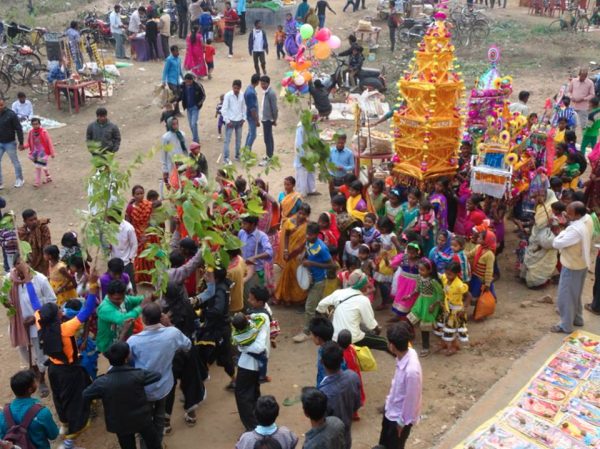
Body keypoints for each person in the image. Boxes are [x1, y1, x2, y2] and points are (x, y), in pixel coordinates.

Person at [128, 303, 191, 441]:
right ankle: (157, 441)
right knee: (160, 414)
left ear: (143, 319)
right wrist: (169, 325)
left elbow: (126, 359)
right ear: (161, 317)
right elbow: (187, 345)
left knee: (145, 418)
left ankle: (147, 441)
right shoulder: (172, 333)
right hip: (164, 385)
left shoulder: (134, 341)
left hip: (143, 388)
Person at [83, 342, 162, 449]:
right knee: (153, 443)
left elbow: (86, 394)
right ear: (126, 358)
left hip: (120, 423)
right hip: (142, 419)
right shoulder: (137, 374)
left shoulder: (102, 382)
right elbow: (157, 376)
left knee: (127, 446)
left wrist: (104, 393)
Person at [8, 256, 55, 399]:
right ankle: (33, 372)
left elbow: (52, 301)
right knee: (24, 353)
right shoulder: (10, 280)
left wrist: (35, 318)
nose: (19, 267)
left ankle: (41, 379)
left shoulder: (39, 279)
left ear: (28, 263)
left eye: (22, 263)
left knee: (41, 354)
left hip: (37, 325)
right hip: (19, 326)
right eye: (16, 264)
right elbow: (7, 298)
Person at [316, 270, 386, 351]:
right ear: (362, 285)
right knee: (383, 342)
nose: (368, 284)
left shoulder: (339, 293)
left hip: (335, 338)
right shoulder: (363, 300)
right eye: (366, 283)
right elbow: (371, 325)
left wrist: (326, 319)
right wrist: (378, 330)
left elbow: (320, 306)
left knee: (359, 325)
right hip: (353, 339)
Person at [378, 321, 422, 449]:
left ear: (392, 346)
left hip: (398, 419)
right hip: (391, 410)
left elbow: (411, 400)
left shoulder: (411, 371)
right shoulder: (406, 355)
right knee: (383, 444)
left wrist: (401, 423)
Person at [551, 201, 593, 333]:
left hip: (572, 265)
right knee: (576, 293)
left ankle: (566, 325)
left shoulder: (575, 230)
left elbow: (556, 243)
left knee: (566, 296)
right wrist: (568, 223)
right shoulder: (588, 219)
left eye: (569, 213)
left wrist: (562, 231)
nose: (566, 215)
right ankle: (578, 318)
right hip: (582, 263)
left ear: (578, 214)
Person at [293, 222, 334, 343]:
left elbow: (331, 265)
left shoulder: (322, 248)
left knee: (309, 307)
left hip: (319, 281)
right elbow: (307, 251)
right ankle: (324, 325)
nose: (307, 236)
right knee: (317, 305)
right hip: (311, 279)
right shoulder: (308, 242)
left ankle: (306, 332)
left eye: (310, 235)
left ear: (316, 234)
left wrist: (312, 264)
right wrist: (302, 255)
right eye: (307, 234)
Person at [318, 341, 361, 449]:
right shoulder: (353, 377)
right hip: (346, 430)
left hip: (331, 437)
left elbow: (321, 421)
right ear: (342, 359)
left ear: (322, 362)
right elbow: (357, 404)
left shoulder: (323, 391)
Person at [0, 370, 58, 449]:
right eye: (34, 382)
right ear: (30, 390)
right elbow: (53, 435)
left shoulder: (3, 414)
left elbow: (3, 438)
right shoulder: (42, 413)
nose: (36, 383)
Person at [234, 301, 269, 431]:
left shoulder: (252, 331)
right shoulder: (262, 319)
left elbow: (259, 348)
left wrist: (243, 348)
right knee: (253, 393)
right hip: (255, 366)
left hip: (248, 366)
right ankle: (258, 419)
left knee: (243, 396)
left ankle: (252, 427)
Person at [519, 188, 558, 288]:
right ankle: (528, 278)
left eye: (543, 195)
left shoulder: (553, 208)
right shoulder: (541, 206)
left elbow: (553, 225)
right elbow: (537, 221)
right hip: (536, 236)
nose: (541, 197)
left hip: (546, 239)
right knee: (531, 257)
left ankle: (537, 282)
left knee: (541, 261)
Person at [274, 203, 311, 305]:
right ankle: (286, 297)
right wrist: (286, 250)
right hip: (289, 251)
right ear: (297, 212)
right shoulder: (290, 222)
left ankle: (298, 298)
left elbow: (307, 241)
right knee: (287, 273)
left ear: (307, 215)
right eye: (300, 213)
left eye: (304, 214)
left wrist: (300, 252)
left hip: (300, 254)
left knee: (297, 274)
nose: (301, 216)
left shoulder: (308, 226)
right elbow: (286, 236)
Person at [96, 280, 146, 353]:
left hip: (121, 338)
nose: (121, 301)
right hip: (108, 346)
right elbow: (123, 319)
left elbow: (138, 299)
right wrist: (141, 307)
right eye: (117, 299)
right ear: (108, 295)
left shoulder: (123, 298)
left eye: (122, 297)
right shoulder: (105, 308)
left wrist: (148, 298)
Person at [125, 185, 155, 286]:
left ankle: (151, 279)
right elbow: (128, 222)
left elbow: (152, 219)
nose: (140, 195)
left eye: (142, 193)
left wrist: (148, 233)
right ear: (133, 195)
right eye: (137, 194)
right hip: (136, 235)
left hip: (149, 234)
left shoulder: (148, 205)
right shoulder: (130, 208)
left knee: (151, 257)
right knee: (140, 258)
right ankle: (142, 278)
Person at [239, 215, 274, 300]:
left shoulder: (262, 236)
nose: (242, 226)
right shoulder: (241, 233)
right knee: (242, 294)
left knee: (252, 296)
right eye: (243, 223)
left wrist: (255, 257)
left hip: (256, 271)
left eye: (245, 224)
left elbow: (269, 252)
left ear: (253, 225)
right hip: (243, 269)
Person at [0, 98, 24, 188]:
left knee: (14, 161)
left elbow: (18, 128)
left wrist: (21, 142)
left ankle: (19, 179)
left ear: (4, 104)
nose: (0, 107)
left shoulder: (11, 114)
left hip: (10, 142)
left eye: (1, 105)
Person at [24, 117, 55, 188]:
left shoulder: (44, 132)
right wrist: (24, 147)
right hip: (35, 152)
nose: (35, 126)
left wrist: (52, 153)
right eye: (33, 124)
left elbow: (49, 142)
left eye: (37, 124)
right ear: (31, 125)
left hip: (44, 152)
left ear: (40, 124)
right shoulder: (31, 132)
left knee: (38, 166)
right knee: (43, 166)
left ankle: (37, 182)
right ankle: (48, 177)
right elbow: (29, 142)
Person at [18, 209, 51, 275]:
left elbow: (47, 242)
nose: (34, 221)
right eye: (31, 220)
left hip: (42, 258)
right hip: (30, 260)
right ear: (25, 221)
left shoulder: (43, 227)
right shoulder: (22, 232)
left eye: (35, 218)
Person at [111, 214, 138, 293]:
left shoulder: (128, 228)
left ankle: (133, 297)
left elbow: (134, 244)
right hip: (114, 260)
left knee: (129, 281)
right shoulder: (109, 228)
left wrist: (130, 258)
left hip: (126, 261)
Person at [222, 79, 246, 164]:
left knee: (238, 140)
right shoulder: (228, 95)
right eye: (234, 88)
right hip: (230, 121)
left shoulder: (242, 95)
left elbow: (244, 107)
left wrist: (244, 118)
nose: (236, 90)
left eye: (238, 88)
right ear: (232, 87)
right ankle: (226, 158)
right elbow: (224, 109)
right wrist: (227, 121)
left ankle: (237, 155)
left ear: (240, 88)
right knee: (227, 140)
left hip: (239, 121)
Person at [179, 73, 206, 144]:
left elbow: (203, 96)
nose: (187, 83)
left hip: (195, 108)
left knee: (193, 124)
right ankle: (195, 138)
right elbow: (180, 95)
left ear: (192, 80)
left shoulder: (198, 86)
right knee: (191, 124)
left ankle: (195, 140)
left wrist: (198, 105)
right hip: (188, 108)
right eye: (186, 81)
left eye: (189, 81)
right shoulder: (182, 86)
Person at [328, 133, 354, 197]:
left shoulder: (349, 153)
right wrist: (331, 166)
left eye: (342, 143)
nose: (340, 145)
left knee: (344, 196)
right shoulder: (330, 151)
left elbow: (352, 166)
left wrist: (343, 168)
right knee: (333, 195)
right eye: (338, 143)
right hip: (332, 177)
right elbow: (327, 163)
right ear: (335, 141)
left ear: (345, 141)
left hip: (343, 178)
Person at [260, 76, 278, 165]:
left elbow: (274, 108)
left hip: (268, 119)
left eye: (264, 84)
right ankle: (269, 155)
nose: (262, 85)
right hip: (265, 118)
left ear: (268, 83)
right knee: (268, 137)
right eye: (261, 83)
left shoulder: (271, 93)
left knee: (267, 138)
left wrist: (274, 119)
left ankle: (269, 157)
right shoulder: (265, 92)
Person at [162, 45, 184, 115]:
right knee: (176, 96)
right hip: (171, 81)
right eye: (176, 51)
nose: (178, 52)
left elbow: (179, 69)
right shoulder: (169, 60)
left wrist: (183, 77)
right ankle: (176, 111)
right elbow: (165, 71)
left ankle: (170, 106)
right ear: (172, 52)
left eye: (178, 51)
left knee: (179, 96)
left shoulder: (179, 59)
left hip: (177, 80)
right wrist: (163, 81)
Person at [245, 74, 260, 150]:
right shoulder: (251, 92)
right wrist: (256, 120)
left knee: (250, 132)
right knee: (253, 135)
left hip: (249, 115)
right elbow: (252, 109)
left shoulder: (249, 88)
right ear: (257, 82)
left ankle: (246, 149)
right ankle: (247, 150)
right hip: (251, 116)